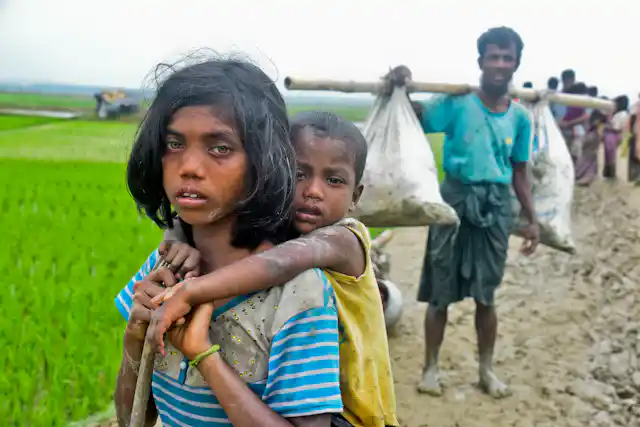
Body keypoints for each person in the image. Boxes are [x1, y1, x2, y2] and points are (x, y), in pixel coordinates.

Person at [114, 58, 345, 427]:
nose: (189, 166)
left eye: (219, 148)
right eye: (173, 143)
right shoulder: (162, 270)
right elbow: (132, 420)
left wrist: (205, 356)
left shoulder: (296, 295)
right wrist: (135, 337)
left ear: (263, 161)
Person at [147, 111, 399, 427]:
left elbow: (280, 263)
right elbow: (189, 219)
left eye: (334, 180)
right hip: (304, 390)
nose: (314, 191)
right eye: (298, 174)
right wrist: (176, 236)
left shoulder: (344, 238)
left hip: (354, 412)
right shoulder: (282, 228)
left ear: (355, 197)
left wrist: (192, 290)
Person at [402, 27, 539, 399]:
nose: (499, 64)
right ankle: (431, 368)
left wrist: (532, 219)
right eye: (492, 56)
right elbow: (415, 116)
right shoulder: (458, 103)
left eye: (506, 57)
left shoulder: (520, 118)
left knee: (487, 295)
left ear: (516, 63)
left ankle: (486, 370)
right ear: (480, 61)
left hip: (495, 207)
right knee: (439, 292)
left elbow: (520, 171)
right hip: (455, 202)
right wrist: (402, 86)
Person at [559, 82, 590, 166]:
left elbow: (585, 116)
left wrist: (569, 123)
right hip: (569, 130)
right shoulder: (571, 103)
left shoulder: (585, 101)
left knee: (575, 152)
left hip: (579, 131)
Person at [602, 95, 629, 179]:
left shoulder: (621, 114)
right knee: (609, 155)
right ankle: (609, 173)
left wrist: (605, 126)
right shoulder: (621, 114)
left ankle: (610, 173)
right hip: (613, 135)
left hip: (613, 135)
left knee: (610, 155)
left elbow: (615, 127)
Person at [626, 96, 640, 184]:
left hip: (635, 133)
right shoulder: (636, 106)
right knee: (635, 155)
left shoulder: (635, 106)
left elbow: (630, 121)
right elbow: (631, 121)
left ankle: (635, 177)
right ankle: (636, 177)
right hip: (636, 133)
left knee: (635, 155)